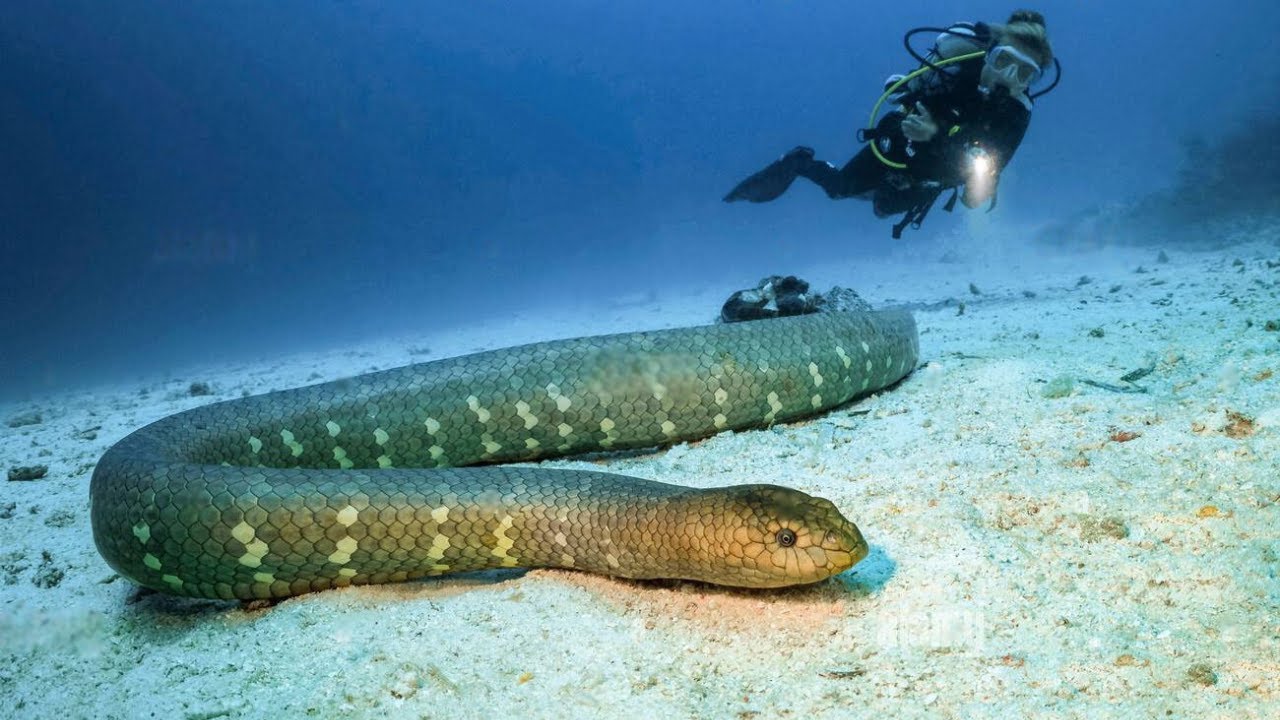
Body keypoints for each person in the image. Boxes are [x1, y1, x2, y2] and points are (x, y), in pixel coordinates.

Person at [723, 10, 1056, 237]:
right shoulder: (955, 70)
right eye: (1003, 61)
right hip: (902, 144)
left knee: (883, 208)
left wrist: (941, 141)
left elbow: (981, 182)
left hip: (940, 170)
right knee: (839, 189)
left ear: (1031, 81)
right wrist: (916, 119)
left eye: (1024, 73)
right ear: (990, 53)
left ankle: (888, 191)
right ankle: (798, 162)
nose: (1007, 76)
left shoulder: (1016, 112)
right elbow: (905, 94)